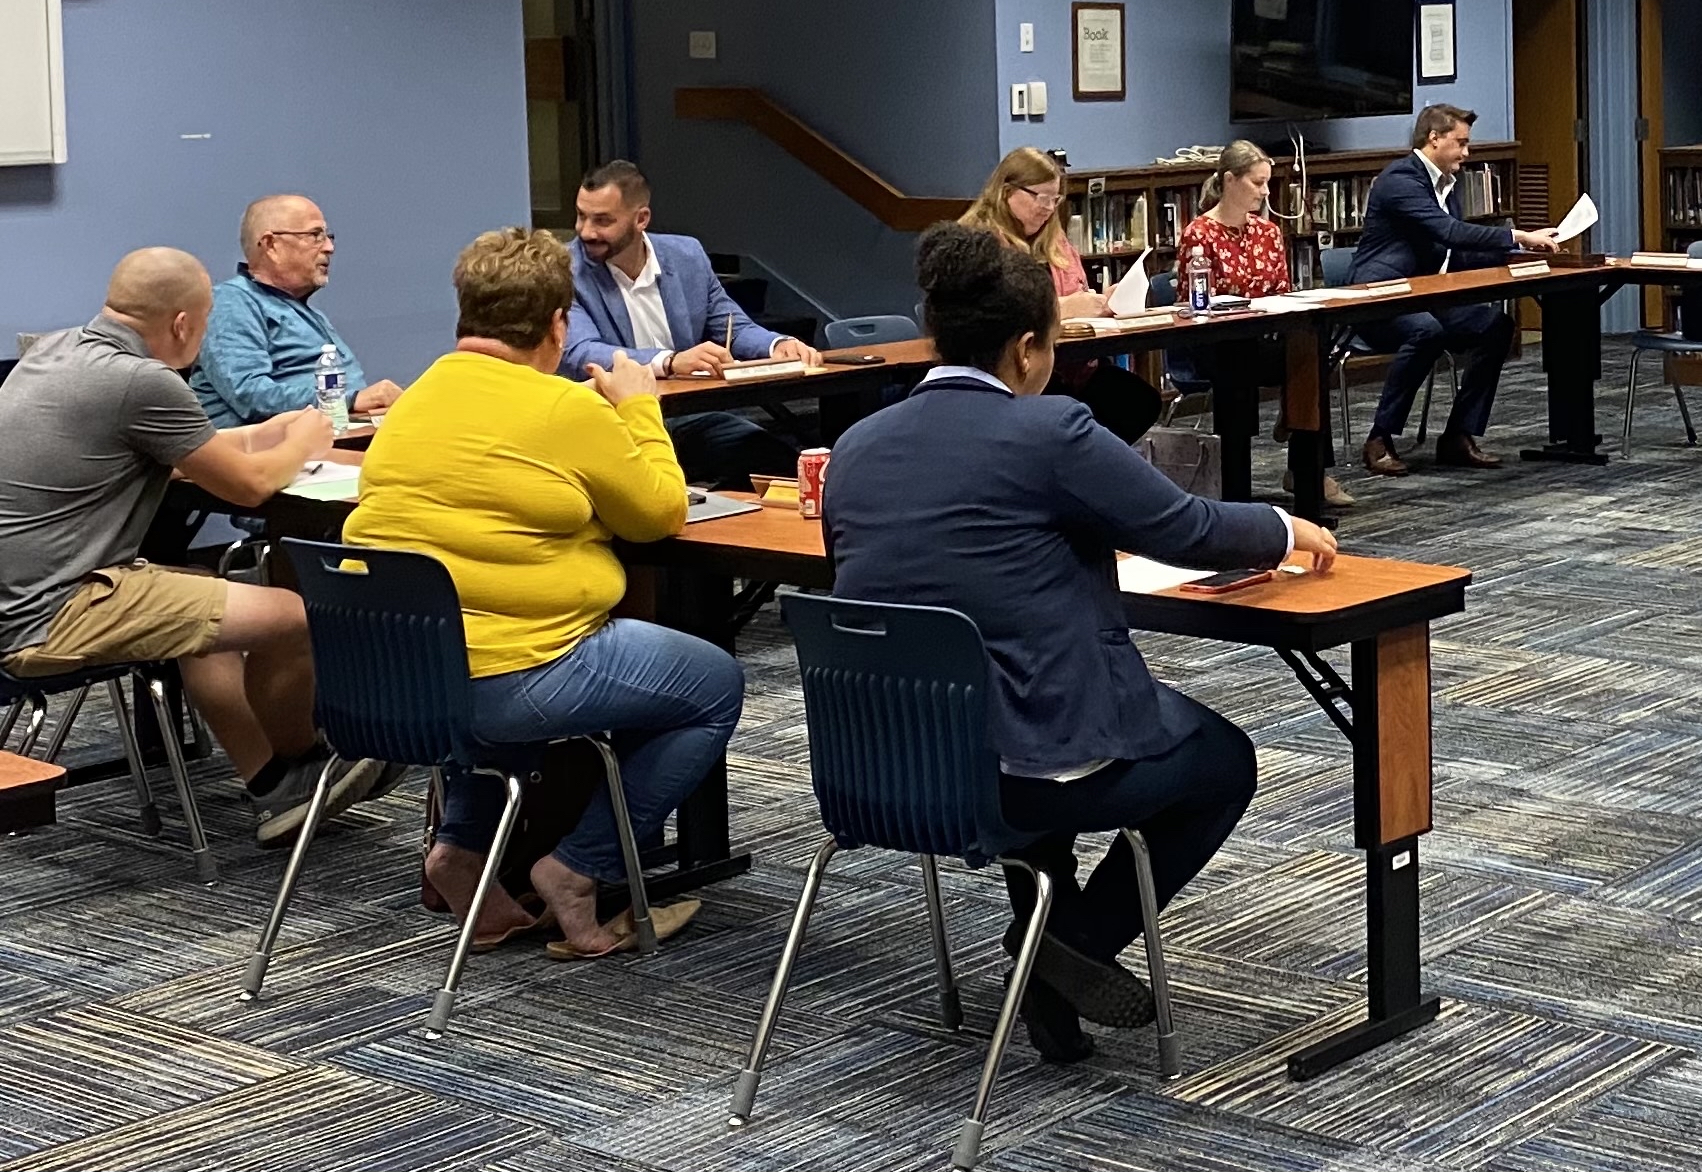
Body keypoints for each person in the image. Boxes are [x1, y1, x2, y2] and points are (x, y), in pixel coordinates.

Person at [825, 222, 1338, 1064]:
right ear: (1029, 348)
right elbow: (1186, 527)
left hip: (894, 763)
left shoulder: (855, 446)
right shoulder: (1048, 431)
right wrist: (1285, 526)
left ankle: (1050, 972)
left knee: (1023, 710)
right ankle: (1070, 953)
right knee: (1224, 762)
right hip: (1022, 762)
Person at [346, 227, 745, 957]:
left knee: (476, 643)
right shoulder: (566, 409)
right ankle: (578, 868)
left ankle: (462, 850)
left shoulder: (411, 400)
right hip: (512, 677)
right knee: (713, 684)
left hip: (403, 678)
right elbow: (659, 510)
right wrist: (639, 407)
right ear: (559, 324)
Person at [0, 248, 394, 845]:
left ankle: (272, 785)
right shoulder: (142, 381)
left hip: (20, 593)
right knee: (299, 617)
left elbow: (172, 449)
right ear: (183, 323)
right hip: (57, 610)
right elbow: (251, 486)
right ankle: (309, 767)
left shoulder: (57, 349)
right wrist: (312, 430)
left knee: (204, 605)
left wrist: (260, 434)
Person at [562, 160, 818, 488]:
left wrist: (778, 344)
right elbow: (582, 352)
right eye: (581, 216)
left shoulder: (687, 255)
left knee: (779, 464)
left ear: (641, 219)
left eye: (602, 221)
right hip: (614, 422)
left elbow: (731, 325)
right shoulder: (565, 270)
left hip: (686, 415)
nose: (585, 231)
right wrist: (670, 362)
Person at [1347, 104, 1559, 475]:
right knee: (1427, 332)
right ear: (1434, 138)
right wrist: (1517, 234)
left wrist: (1518, 255)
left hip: (1427, 293)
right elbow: (1448, 232)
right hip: (1379, 296)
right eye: (1460, 143)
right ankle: (1379, 437)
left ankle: (1458, 435)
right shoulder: (1400, 180)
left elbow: (1456, 249)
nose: (1466, 152)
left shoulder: (1447, 182)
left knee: (1496, 327)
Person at [1175, 139, 1352, 509]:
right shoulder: (1199, 234)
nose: (1265, 192)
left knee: (1311, 354)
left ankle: (1307, 478)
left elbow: (1281, 291)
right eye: (1257, 183)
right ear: (1229, 180)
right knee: (1236, 360)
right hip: (1216, 341)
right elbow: (1189, 303)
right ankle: (1236, 492)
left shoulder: (1267, 233)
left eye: (1267, 182)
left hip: (1263, 333)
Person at [961, 147, 1163, 445]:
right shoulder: (979, 242)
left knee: (1137, 400)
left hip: (1071, 362)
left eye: (1054, 199)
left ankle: (1078, 477)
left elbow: (1078, 290)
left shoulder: (1054, 239)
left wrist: (1101, 303)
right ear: (1006, 191)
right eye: (1041, 198)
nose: (1048, 208)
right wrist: (1062, 309)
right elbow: (992, 314)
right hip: (1014, 373)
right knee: (1071, 414)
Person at [193, 194, 403, 428]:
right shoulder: (231, 303)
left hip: (335, 440)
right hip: (274, 454)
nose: (329, 247)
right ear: (271, 245)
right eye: (315, 235)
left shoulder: (308, 313)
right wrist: (351, 400)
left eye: (328, 236)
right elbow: (250, 394)